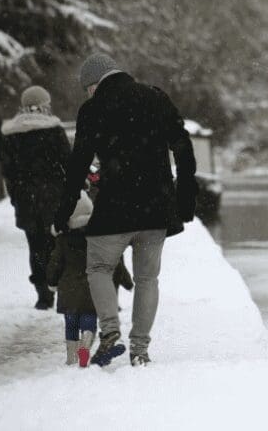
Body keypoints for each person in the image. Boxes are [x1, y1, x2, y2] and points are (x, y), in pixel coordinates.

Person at [53, 53, 198, 367]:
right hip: (157, 207)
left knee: (99, 269)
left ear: (94, 84)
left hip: (114, 209)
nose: (87, 94)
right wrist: (185, 197)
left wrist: (64, 210)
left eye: (86, 88)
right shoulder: (156, 98)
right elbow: (183, 147)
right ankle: (140, 350)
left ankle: (109, 329)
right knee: (148, 279)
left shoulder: (93, 109)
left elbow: (78, 164)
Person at [0, 86, 71, 309]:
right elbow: (67, 164)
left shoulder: (12, 135)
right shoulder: (54, 131)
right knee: (55, 245)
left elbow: (8, 172)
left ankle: (42, 294)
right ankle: (55, 286)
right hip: (54, 198)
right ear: (45, 105)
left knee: (35, 246)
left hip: (26, 199)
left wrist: (15, 197)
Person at [47, 190, 133, 367]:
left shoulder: (63, 240)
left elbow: (55, 263)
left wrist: (52, 282)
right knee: (88, 319)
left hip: (68, 289)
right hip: (93, 289)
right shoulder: (99, 238)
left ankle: (72, 357)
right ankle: (86, 341)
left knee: (70, 324)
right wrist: (126, 281)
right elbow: (115, 261)